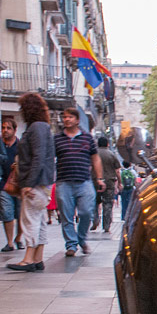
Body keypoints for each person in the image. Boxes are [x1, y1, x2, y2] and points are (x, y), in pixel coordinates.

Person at [7, 93, 55, 272]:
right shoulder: (42, 127)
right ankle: (38, 258)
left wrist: (29, 182)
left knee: (30, 220)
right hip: (42, 181)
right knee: (39, 219)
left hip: (36, 182)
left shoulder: (37, 128)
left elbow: (38, 157)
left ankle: (28, 259)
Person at [55, 107, 105, 256]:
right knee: (66, 216)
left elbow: (95, 158)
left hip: (84, 181)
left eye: (70, 117)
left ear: (77, 120)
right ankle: (71, 245)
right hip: (64, 182)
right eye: (64, 117)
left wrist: (100, 178)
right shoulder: (57, 139)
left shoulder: (87, 138)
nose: (67, 119)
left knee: (86, 212)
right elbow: (50, 158)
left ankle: (82, 239)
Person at [0, 117, 23, 252]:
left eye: (8, 128)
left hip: (19, 184)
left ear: (15, 130)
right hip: (4, 184)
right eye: (3, 128)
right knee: (7, 212)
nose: (5, 131)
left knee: (20, 214)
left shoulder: (20, 146)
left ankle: (18, 238)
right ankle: (9, 243)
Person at [94, 135, 121, 233]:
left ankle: (95, 220)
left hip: (95, 181)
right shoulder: (112, 154)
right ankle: (106, 226)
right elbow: (117, 171)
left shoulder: (94, 154)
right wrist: (119, 183)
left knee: (94, 203)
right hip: (109, 182)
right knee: (108, 204)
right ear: (107, 144)